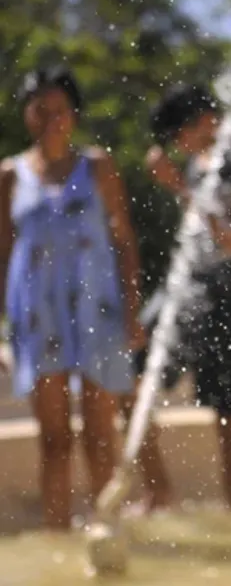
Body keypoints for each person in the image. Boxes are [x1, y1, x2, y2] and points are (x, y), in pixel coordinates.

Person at [123, 83, 231, 511]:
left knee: (227, 411)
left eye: (178, 136)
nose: (177, 146)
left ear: (204, 122)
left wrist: (180, 188)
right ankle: (159, 492)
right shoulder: (199, 165)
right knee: (129, 372)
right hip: (185, 290)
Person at [0, 66, 144, 530]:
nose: (50, 119)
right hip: (37, 317)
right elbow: (2, 254)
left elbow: (124, 242)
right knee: (54, 438)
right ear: (26, 114)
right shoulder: (8, 176)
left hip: (97, 311)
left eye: (59, 110)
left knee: (101, 433)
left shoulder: (98, 166)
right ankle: (58, 538)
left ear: (74, 115)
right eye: (40, 109)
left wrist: (133, 312)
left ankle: (107, 533)